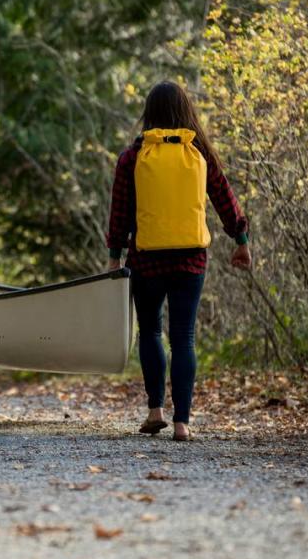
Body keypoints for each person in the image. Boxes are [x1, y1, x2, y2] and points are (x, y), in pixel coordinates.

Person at [106, 81, 252, 441]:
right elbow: (224, 196)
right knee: (183, 338)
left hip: (147, 259)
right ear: (186, 111)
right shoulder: (199, 152)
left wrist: (114, 255)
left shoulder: (134, 155)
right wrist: (241, 239)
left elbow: (120, 212)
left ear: (149, 113)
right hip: (191, 258)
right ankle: (182, 423)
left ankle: (155, 410)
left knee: (151, 330)